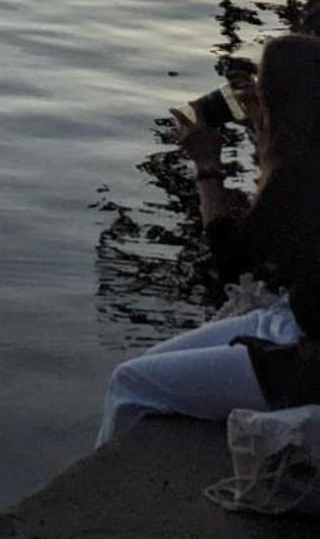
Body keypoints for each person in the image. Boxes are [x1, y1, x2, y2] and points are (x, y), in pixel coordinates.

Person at [98, 31, 320, 444]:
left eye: (262, 86)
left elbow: (231, 265)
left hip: (308, 355)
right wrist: (266, 134)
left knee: (130, 383)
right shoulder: (305, 161)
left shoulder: (301, 174)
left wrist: (206, 165)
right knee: (151, 362)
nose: (252, 92)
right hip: (296, 316)